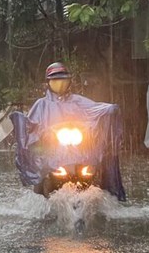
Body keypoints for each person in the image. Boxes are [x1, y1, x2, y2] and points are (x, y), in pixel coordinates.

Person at [12, 61, 126, 201]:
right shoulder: (41, 105)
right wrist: (34, 130)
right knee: (42, 172)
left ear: (69, 82)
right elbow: (31, 127)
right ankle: (41, 199)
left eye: (63, 80)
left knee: (96, 167)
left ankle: (102, 195)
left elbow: (94, 110)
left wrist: (109, 109)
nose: (60, 83)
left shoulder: (78, 101)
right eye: (55, 80)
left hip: (79, 150)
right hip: (51, 151)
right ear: (48, 82)